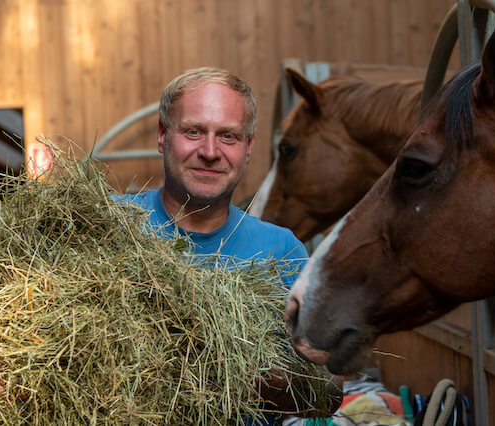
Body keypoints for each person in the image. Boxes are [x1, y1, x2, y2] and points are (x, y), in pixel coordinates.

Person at [115, 67, 342, 424]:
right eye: (193, 131)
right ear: (163, 136)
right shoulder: (109, 224)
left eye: (228, 136)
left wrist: (248, 377)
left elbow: (329, 392)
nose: (210, 151)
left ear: (248, 148)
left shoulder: (281, 252)